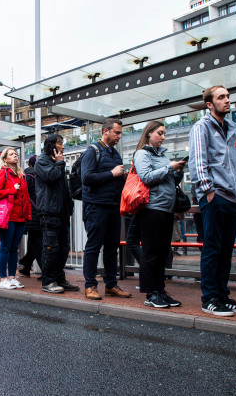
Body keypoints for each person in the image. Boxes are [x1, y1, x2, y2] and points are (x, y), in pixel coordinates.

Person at [188, 85, 236, 317]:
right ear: (209, 104)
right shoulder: (201, 127)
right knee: (213, 249)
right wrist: (208, 191)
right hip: (215, 197)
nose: (227, 101)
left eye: (228, 97)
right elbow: (198, 162)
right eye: (221, 97)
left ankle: (223, 296)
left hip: (233, 198)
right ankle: (210, 299)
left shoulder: (232, 127)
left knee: (226, 250)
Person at [133, 121, 186, 308]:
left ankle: (160, 290)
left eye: (164, 133)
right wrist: (170, 167)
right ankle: (150, 293)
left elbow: (167, 180)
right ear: (148, 134)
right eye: (160, 133)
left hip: (166, 208)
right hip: (151, 209)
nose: (163, 137)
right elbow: (146, 177)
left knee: (163, 252)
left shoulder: (163, 156)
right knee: (151, 253)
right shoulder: (141, 154)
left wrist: (178, 171)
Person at [80, 118, 131, 300]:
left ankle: (111, 285)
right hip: (96, 207)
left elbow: (111, 177)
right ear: (106, 131)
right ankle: (90, 286)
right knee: (93, 247)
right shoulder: (92, 151)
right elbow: (86, 178)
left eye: (120, 133)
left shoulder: (115, 154)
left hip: (113, 206)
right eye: (116, 132)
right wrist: (112, 173)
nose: (119, 136)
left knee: (111, 248)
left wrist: (122, 176)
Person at [35, 134, 78, 294]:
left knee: (63, 248)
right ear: (52, 145)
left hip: (61, 212)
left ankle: (60, 278)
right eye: (60, 143)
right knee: (51, 247)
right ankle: (48, 281)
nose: (63, 146)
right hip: (49, 212)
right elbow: (50, 177)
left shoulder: (55, 162)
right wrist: (60, 164)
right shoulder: (42, 161)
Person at [0, 147, 32, 289]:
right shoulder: (3, 173)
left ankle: (12, 277)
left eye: (16, 154)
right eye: (11, 154)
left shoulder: (21, 175)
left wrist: (28, 214)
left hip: (20, 217)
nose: (15, 156)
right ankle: (3, 279)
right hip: (8, 216)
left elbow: (26, 197)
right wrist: (11, 190)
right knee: (5, 246)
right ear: (5, 159)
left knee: (14, 248)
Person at [20, 155, 43, 278]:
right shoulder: (30, 176)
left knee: (34, 241)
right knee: (37, 242)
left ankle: (26, 265)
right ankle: (45, 270)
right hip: (34, 214)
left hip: (34, 214)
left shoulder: (31, 176)